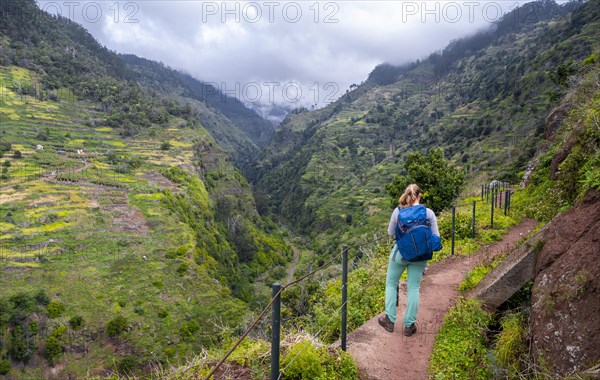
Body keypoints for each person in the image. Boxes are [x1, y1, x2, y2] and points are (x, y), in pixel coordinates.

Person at [378, 184, 439, 336]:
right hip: (421, 256)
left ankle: (390, 321)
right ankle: (409, 326)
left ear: (406, 195)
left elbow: (390, 232)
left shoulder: (398, 211)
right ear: (420, 195)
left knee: (391, 283)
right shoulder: (428, 213)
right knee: (413, 288)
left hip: (400, 254)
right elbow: (435, 237)